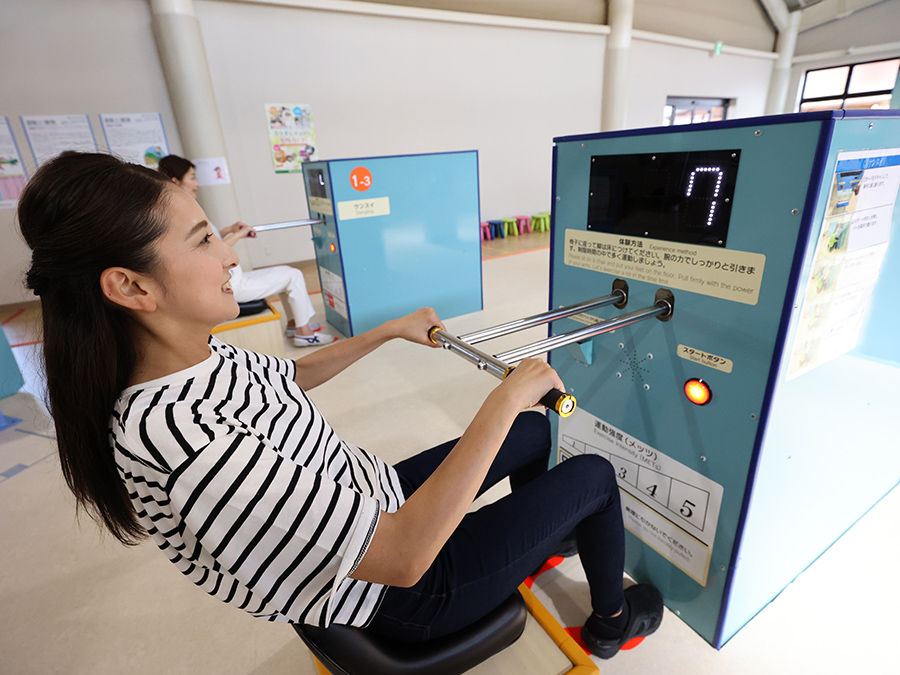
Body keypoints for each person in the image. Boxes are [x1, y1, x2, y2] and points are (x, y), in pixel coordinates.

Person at [18, 153, 663, 660]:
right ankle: (610, 623)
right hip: (401, 593)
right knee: (593, 475)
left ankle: (546, 535)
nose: (230, 255)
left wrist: (388, 331)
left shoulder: (194, 359)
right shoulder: (184, 441)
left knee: (532, 431)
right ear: (130, 286)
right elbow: (403, 559)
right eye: (203, 240)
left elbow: (290, 375)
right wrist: (501, 397)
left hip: (368, 497)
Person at [157, 154, 334, 347]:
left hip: (232, 277)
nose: (197, 183)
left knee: (286, 273)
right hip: (231, 283)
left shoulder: (185, 209)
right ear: (175, 180)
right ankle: (304, 333)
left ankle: (295, 325)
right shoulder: (182, 213)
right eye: (192, 177)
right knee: (293, 275)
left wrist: (230, 229)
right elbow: (211, 250)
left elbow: (208, 240)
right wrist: (240, 235)